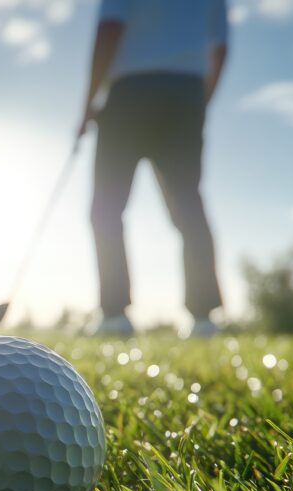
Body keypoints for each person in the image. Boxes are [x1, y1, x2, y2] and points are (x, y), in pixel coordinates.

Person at [78, 0, 229, 337]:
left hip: (129, 92)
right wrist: (199, 103)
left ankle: (114, 315)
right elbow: (220, 48)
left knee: (107, 207)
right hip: (186, 93)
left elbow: (109, 30)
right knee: (189, 206)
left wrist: (88, 104)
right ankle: (203, 319)